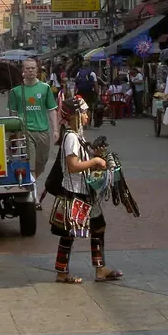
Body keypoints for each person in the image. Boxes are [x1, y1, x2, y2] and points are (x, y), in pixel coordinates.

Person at [51, 98, 123, 284]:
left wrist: (95, 155)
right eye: (83, 112)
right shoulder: (71, 138)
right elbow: (73, 166)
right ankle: (62, 273)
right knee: (69, 233)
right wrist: (96, 162)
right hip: (74, 192)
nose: (86, 116)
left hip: (84, 191)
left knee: (98, 226)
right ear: (74, 115)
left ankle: (100, 269)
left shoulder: (77, 136)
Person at [8, 58, 58, 209]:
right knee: (30, 166)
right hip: (25, 131)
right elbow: (13, 114)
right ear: (23, 71)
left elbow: (51, 110)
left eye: (33, 68)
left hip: (43, 131)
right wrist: (14, 135)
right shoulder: (16, 91)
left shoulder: (45, 88)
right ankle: (34, 198)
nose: (30, 71)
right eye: (27, 68)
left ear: (37, 70)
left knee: (41, 164)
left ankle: (32, 182)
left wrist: (55, 129)